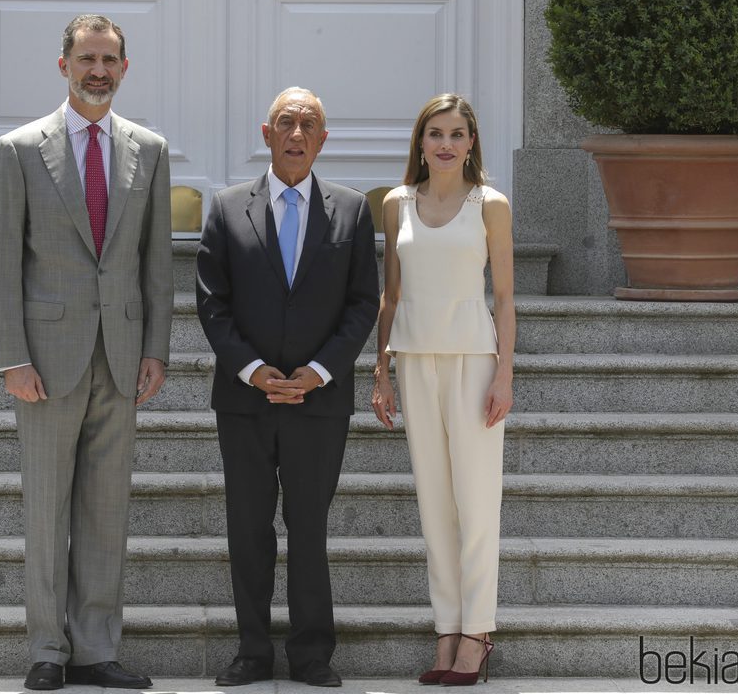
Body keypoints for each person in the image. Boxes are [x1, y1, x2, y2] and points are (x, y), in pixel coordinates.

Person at [0, 14, 173, 691]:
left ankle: (96, 648)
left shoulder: (148, 149)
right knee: (46, 509)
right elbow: (2, 261)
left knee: (105, 510)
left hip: (121, 358)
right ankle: (47, 649)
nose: (98, 70)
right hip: (45, 358)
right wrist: (11, 357)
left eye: (110, 59)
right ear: (63, 64)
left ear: (126, 68)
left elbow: (157, 261)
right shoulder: (19, 149)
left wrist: (157, 348)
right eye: (87, 58)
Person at [196, 87, 379, 688]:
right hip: (245, 400)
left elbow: (362, 304)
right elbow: (212, 303)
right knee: (247, 529)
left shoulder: (352, 210)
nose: (296, 133)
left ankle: (311, 656)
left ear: (323, 139)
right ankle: (252, 653)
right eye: (285, 123)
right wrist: (254, 370)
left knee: (308, 529)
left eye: (309, 124)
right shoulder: (225, 208)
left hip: (319, 402)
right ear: (266, 133)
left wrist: (318, 371)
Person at [371, 94, 515, 686]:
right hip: (413, 358)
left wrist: (505, 372)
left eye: (457, 134)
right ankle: (446, 630)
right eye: (436, 133)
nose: (446, 144)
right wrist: (379, 371)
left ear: (472, 142)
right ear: (420, 142)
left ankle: (477, 634)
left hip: (474, 362)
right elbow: (391, 295)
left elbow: (504, 297)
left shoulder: (491, 204)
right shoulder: (395, 203)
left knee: (476, 504)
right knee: (434, 505)